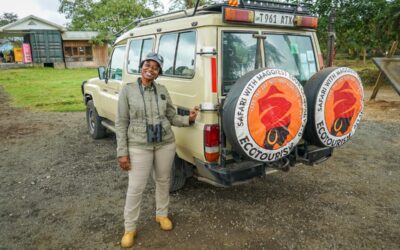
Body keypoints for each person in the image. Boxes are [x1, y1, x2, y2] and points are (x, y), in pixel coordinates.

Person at [116, 52, 199, 248]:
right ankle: (130, 227)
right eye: (147, 64)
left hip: (165, 143)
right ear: (141, 66)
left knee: (163, 181)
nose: (150, 69)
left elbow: (171, 116)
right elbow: (121, 123)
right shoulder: (127, 90)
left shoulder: (162, 90)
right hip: (138, 145)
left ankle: (161, 215)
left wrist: (189, 119)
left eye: (155, 67)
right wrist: (122, 152)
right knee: (136, 187)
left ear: (159, 72)